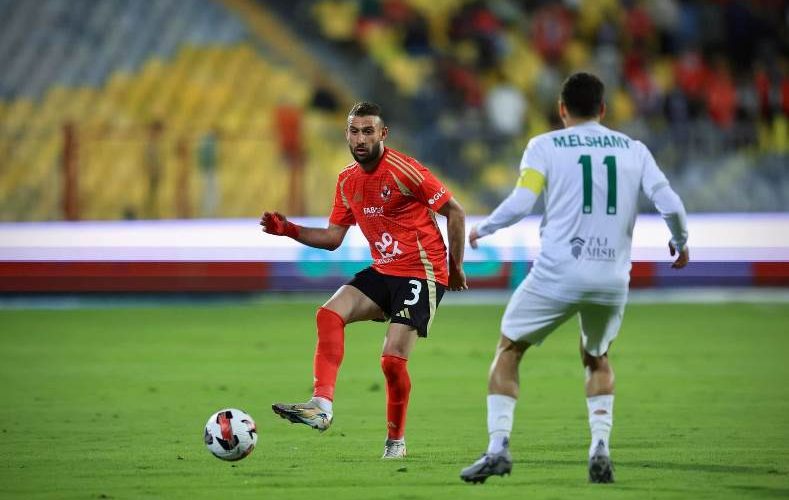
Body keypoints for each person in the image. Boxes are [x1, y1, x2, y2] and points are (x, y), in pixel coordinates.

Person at [459, 73, 689, 484]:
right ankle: (600, 445)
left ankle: (498, 448)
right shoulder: (634, 150)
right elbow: (669, 201)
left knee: (509, 349)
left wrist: (484, 228)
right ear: (603, 109)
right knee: (597, 356)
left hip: (556, 275)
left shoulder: (544, 146)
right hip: (611, 279)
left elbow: (523, 202)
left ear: (562, 109)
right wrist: (681, 240)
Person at [261, 101, 468, 459]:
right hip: (385, 269)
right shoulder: (347, 180)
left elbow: (455, 211)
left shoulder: (406, 170)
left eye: (368, 131)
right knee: (328, 314)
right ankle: (321, 405)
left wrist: (456, 266)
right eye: (354, 131)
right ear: (346, 135)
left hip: (422, 270)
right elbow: (332, 238)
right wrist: (289, 230)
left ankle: (395, 443)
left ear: (383, 134)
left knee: (391, 361)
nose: (360, 139)